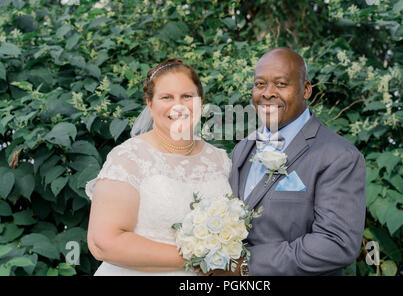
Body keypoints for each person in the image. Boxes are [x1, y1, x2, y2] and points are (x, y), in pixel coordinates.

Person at [85, 59, 232, 275]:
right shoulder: (129, 158)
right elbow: (104, 243)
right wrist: (199, 258)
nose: (178, 105)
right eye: (166, 97)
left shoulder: (219, 159)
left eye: (187, 96)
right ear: (150, 105)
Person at [228, 47, 366, 275]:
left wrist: (245, 265)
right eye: (260, 84)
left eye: (281, 84)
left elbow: (336, 244)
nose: (268, 93)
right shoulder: (242, 149)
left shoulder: (339, 156)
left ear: (306, 90)